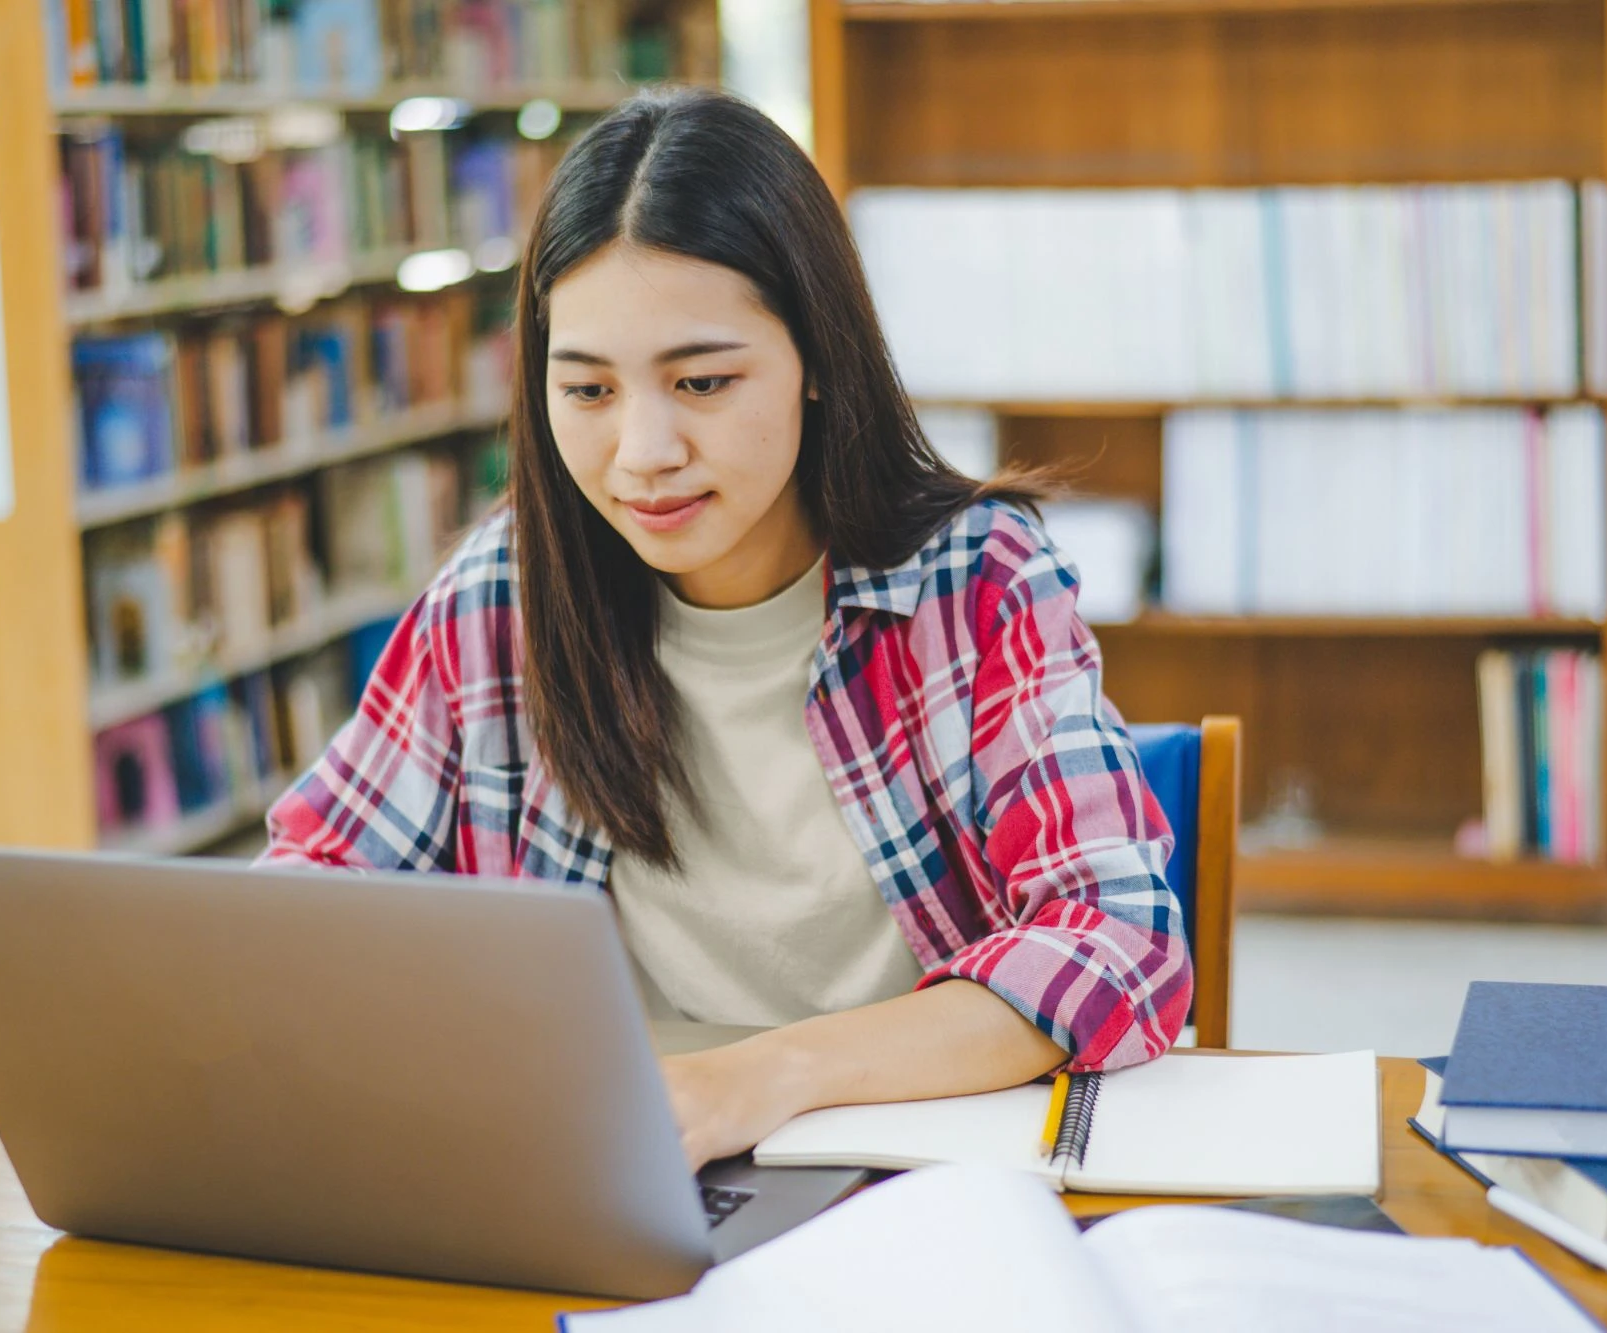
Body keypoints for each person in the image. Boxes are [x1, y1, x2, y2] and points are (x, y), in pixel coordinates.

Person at [261, 85, 1191, 1169]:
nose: (641, 451)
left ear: (813, 363)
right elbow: (309, 901)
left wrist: (766, 1076)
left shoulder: (974, 583)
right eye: (588, 390)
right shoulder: (505, 592)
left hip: (906, 1173)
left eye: (701, 380)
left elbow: (1118, 938)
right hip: (609, 1165)